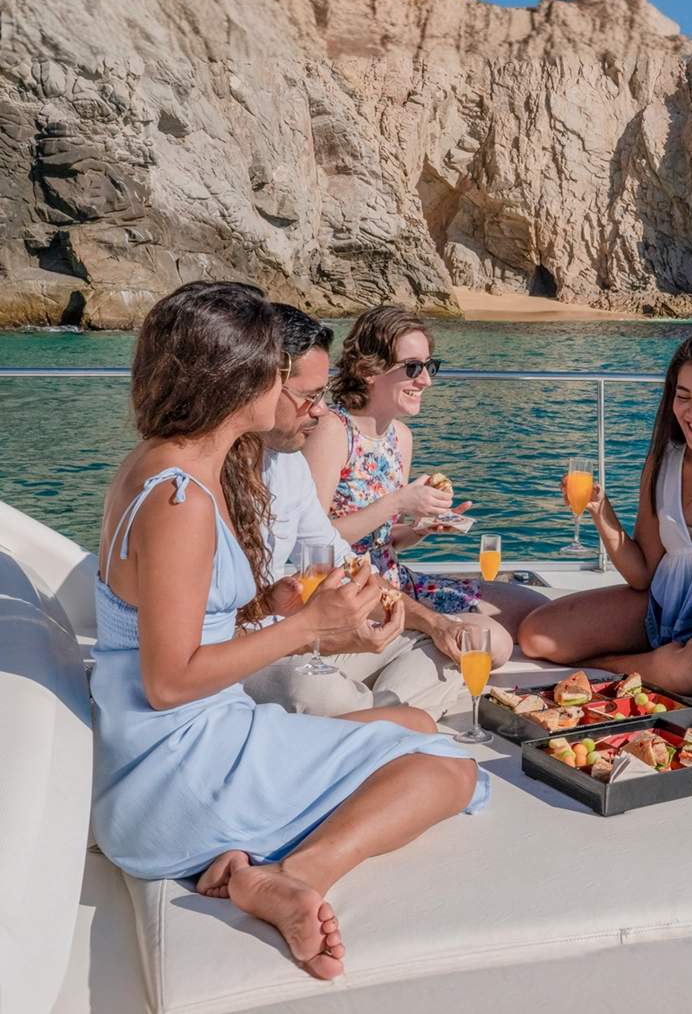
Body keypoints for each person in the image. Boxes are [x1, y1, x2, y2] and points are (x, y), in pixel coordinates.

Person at [90, 282, 486, 984]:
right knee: (450, 770)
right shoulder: (181, 496)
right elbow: (170, 677)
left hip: (157, 758)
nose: (297, 389)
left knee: (413, 719)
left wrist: (265, 605)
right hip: (177, 773)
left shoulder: (160, 465)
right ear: (234, 377)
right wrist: (305, 626)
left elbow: (166, 621)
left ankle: (254, 856)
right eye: (275, 368)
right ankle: (292, 873)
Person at [517, 330, 692, 706]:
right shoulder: (664, 459)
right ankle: (654, 665)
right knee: (538, 634)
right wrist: (602, 511)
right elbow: (642, 573)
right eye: (683, 397)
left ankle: (609, 668)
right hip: (663, 611)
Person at [244, 303, 468, 719]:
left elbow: (339, 559)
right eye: (310, 396)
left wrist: (432, 623)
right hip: (262, 646)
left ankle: (371, 719)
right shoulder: (201, 478)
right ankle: (387, 719)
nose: (321, 409)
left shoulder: (287, 463)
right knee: (312, 690)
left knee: (454, 653)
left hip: (322, 625)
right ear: (260, 388)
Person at [304, 304, 545, 665]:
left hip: (396, 580)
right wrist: (399, 501)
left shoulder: (400, 437)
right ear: (369, 370)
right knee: (489, 641)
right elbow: (314, 542)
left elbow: (384, 538)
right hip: (352, 590)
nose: (426, 380)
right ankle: (423, 637)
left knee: (537, 611)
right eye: (413, 368)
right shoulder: (332, 431)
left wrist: (421, 527)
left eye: (429, 366)